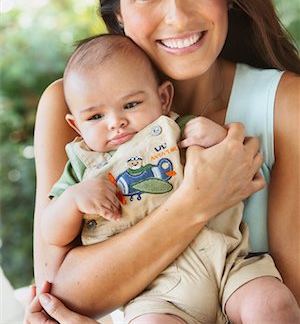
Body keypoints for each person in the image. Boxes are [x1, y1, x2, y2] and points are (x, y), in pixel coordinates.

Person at [32, 0, 300, 322]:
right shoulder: (70, 108)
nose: (177, 17)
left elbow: (289, 301)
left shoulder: (284, 104)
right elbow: (59, 291)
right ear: (117, 13)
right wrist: (198, 199)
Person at [40, 34, 295, 323]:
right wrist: (73, 201)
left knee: (272, 304)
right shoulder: (80, 166)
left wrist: (214, 135)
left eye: (131, 104)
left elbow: (233, 160)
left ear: (163, 98)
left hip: (228, 262)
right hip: (155, 293)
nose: (115, 122)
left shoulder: (174, 128)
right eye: (95, 117)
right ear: (76, 124)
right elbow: (52, 232)